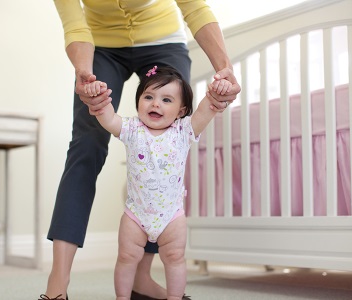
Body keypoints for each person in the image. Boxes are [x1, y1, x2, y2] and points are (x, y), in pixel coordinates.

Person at [41, 1, 241, 300]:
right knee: (87, 144)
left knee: (170, 139)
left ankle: (142, 278)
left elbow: (194, 8)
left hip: (162, 41)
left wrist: (224, 69)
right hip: (101, 46)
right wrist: (84, 71)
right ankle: (58, 283)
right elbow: (75, 25)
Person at [84, 65, 232, 300]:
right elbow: (109, 119)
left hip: (171, 216)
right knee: (126, 258)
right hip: (135, 214)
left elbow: (205, 111)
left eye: (166, 99)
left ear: (181, 109)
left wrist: (215, 94)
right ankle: (122, 297)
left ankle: (174, 297)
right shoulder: (132, 128)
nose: (155, 104)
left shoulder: (183, 131)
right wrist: (98, 100)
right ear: (139, 101)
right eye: (149, 97)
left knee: (175, 259)